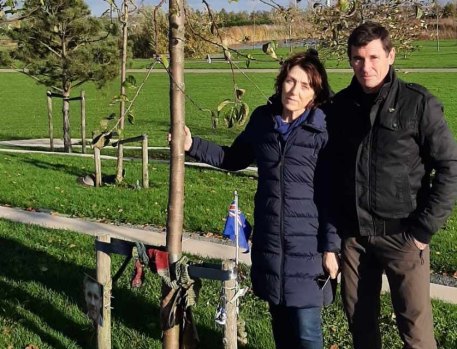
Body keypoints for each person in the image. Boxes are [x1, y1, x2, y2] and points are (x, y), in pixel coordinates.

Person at [175, 51, 340, 349]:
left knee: (307, 334)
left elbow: (333, 192)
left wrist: (331, 247)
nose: (294, 90)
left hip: (308, 249)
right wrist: (192, 145)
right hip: (271, 245)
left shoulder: (323, 129)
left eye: (304, 85)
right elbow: (234, 157)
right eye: (290, 80)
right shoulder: (263, 121)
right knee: (282, 331)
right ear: (280, 82)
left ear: (315, 93)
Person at [325, 22, 457, 349]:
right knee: (361, 329)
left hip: (404, 237)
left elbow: (449, 167)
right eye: (357, 58)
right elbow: (330, 174)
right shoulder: (340, 108)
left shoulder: (419, 104)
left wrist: (423, 231)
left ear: (391, 55)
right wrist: (334, 237)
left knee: (417, 336)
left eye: (373, 57)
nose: (365, 67)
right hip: (355, 239)